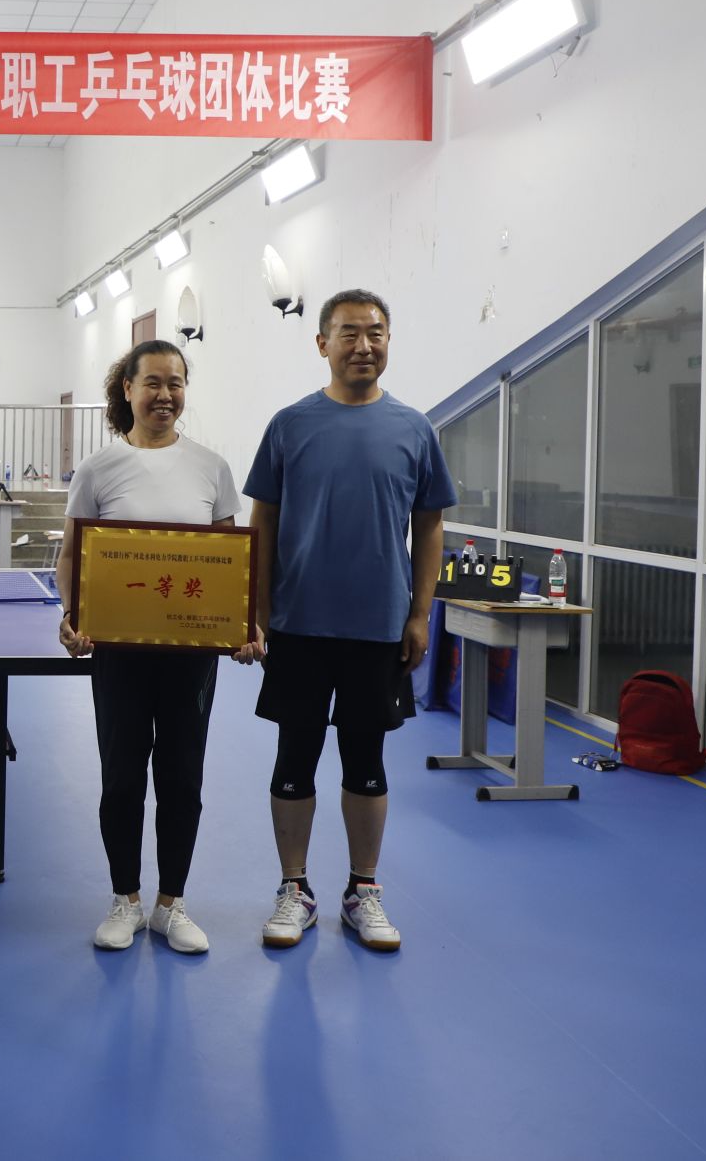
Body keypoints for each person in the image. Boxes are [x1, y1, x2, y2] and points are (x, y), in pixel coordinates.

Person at [236, 289, 454, 954]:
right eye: (350, 333)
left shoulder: (415, 429)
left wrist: (420, 613)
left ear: (389, 341)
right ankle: (294, 889)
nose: (364, 345)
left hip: (378, 628)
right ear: (322, 343)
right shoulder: (289, 425)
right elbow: (262, 522)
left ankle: (363, 890)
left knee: (367, 761)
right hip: (298, 624)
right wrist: (257, 610)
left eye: (376, 333)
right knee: (294, 758)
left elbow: (430, 525)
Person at [57, 341, 240, 954]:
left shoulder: (212, 468)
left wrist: (242, 627)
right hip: (119, 652)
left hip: (191, 656)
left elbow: (229, 565)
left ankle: (171, 905)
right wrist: (71, 617)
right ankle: (126, 900)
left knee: (183, 778)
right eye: (153, 383)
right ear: (128, 389)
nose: (165, 395)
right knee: (121, 778)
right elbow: (71, 557)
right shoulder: (98, 469)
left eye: (176, 383)